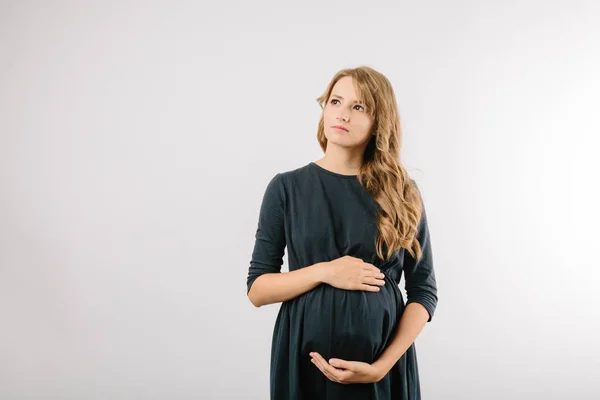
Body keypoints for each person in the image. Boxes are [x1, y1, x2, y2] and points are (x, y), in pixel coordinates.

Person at [246, 66, 438, 400]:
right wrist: (325, 271)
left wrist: (381, 366)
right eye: (336, 102)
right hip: (304, 363)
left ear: (379, 121)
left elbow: (424, 292)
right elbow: (258, 289)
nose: (343, 114)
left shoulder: (402, 193)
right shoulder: (286, 188)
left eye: (359, 107)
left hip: (383, 370)